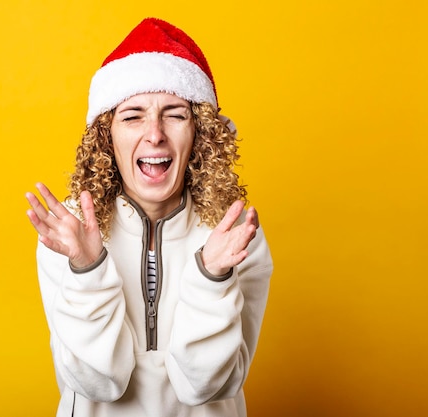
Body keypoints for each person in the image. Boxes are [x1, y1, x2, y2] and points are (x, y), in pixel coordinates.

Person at [25, 17, 273, 417]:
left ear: (200, 134)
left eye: (174, 114)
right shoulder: (68, 233)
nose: (154, 133)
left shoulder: (235, 235)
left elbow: (210, 386)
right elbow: (97, 382)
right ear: (107, 137)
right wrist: (87, 270)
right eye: (133, 115)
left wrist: (213, 277)